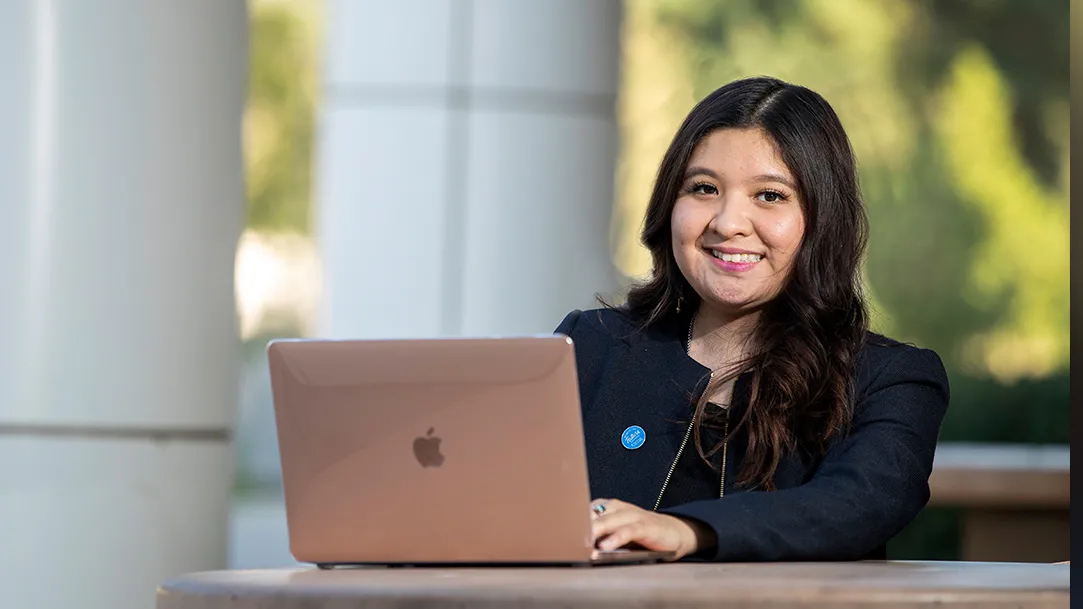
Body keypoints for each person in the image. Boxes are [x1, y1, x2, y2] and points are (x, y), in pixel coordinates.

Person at [555, 76, 949, 562]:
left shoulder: (891, 380)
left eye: (770, 196)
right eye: (703, 188)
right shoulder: (588, 347)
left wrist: (688, 531)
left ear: (822, 219)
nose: (727, 222)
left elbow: (861, 503)